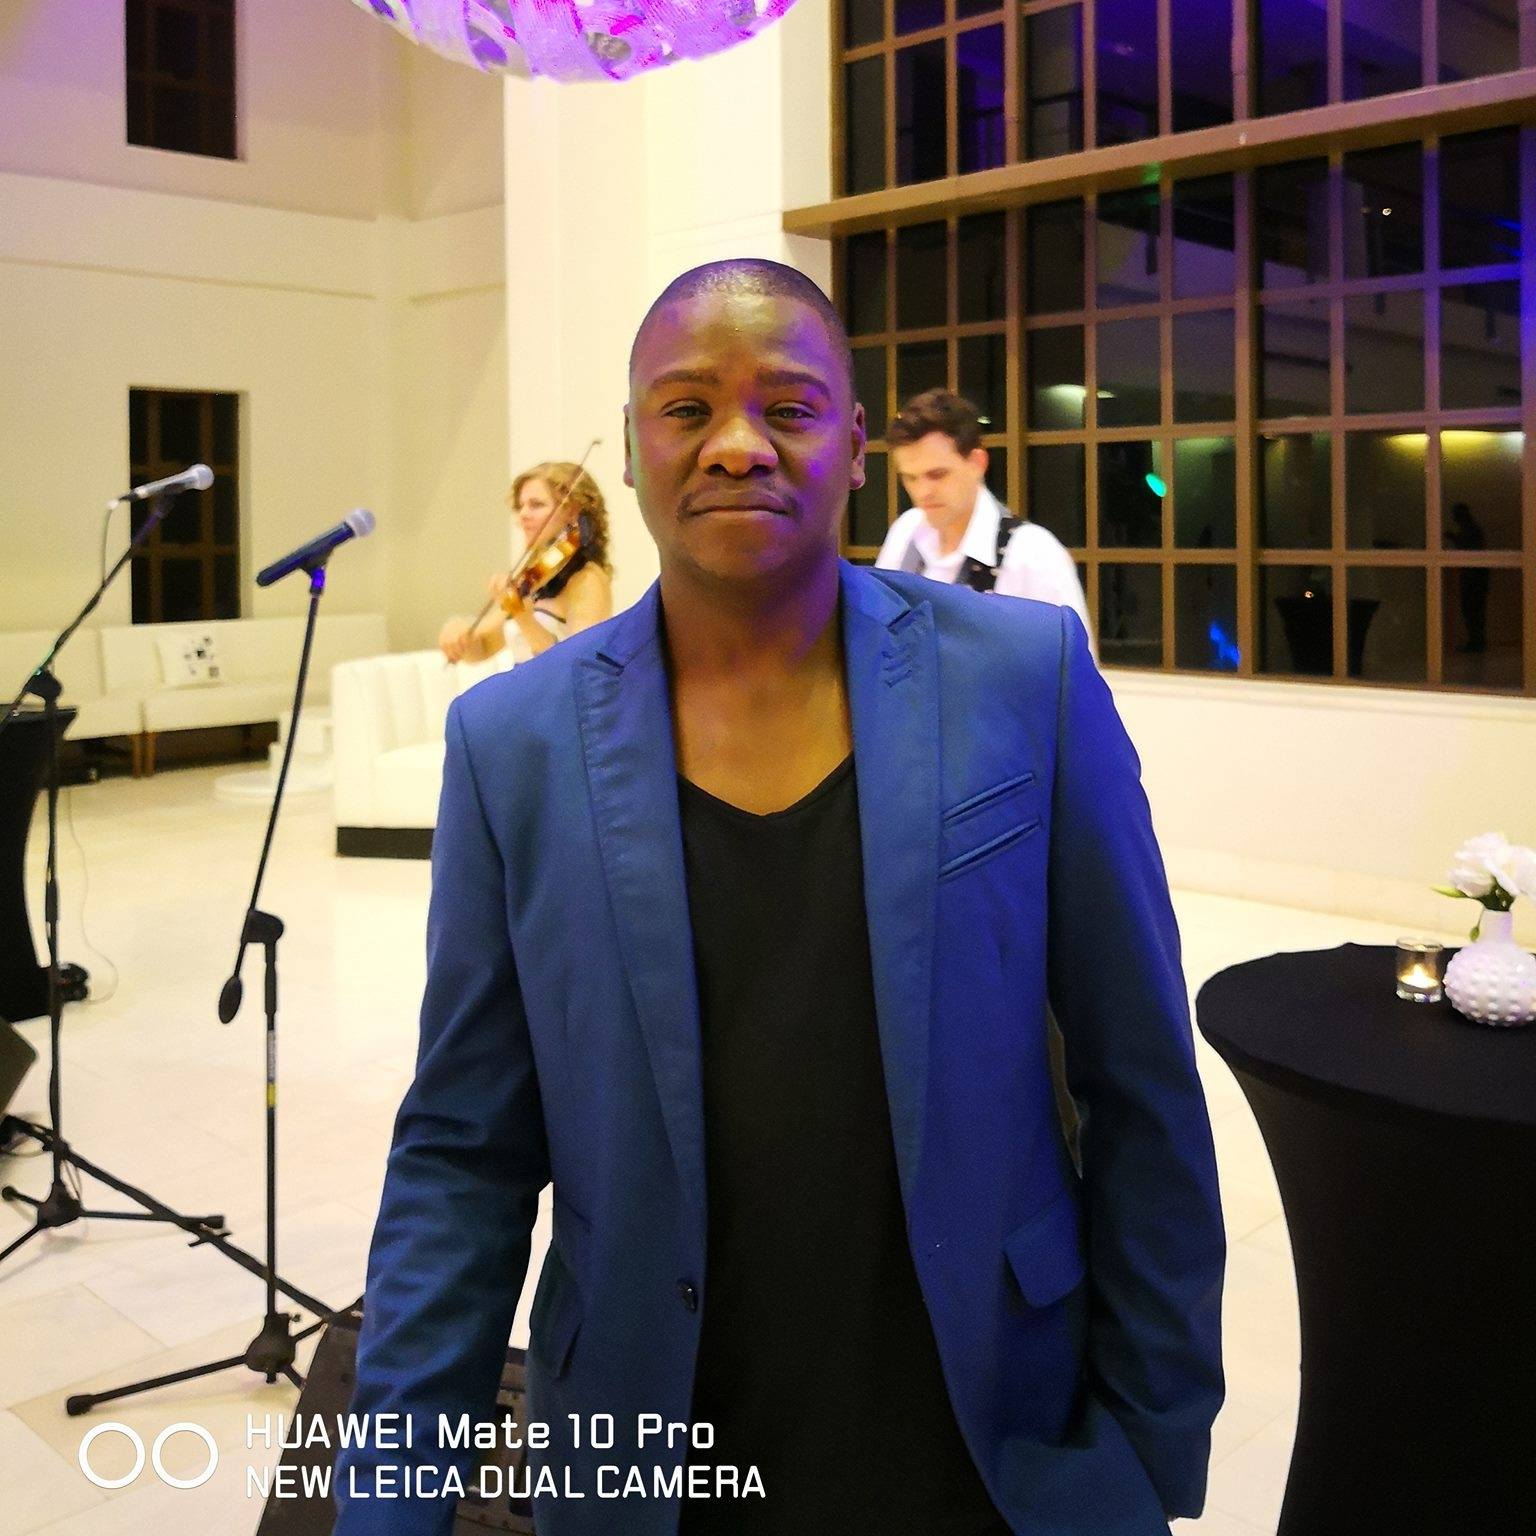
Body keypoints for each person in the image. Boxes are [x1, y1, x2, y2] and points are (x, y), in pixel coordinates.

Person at [338, 260, 1224, 1536]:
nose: (738, 444)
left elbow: (1138, 1078)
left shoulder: (1021, 677)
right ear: (633, 448)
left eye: (790, 408)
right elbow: (462, 1154)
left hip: (988, 1442)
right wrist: (392, 1500)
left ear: (857, 447)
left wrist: (1150, 1441)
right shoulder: (513, 744)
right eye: (688, 408)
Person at [876, 389, 1092, 643]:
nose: (923, 491)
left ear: (977, 463)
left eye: (938, 475)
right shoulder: (904, 532)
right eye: (910, 478)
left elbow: (1076, 664)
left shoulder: (1032, 555)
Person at [437, 461, 613, 663]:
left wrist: (524, 619)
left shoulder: (588, 580)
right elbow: (483, 648)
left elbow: (579, 668)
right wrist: (458, 634)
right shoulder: (536, 574)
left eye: (536, 505)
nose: (523, 514)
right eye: (521, 506)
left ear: (572, 511)